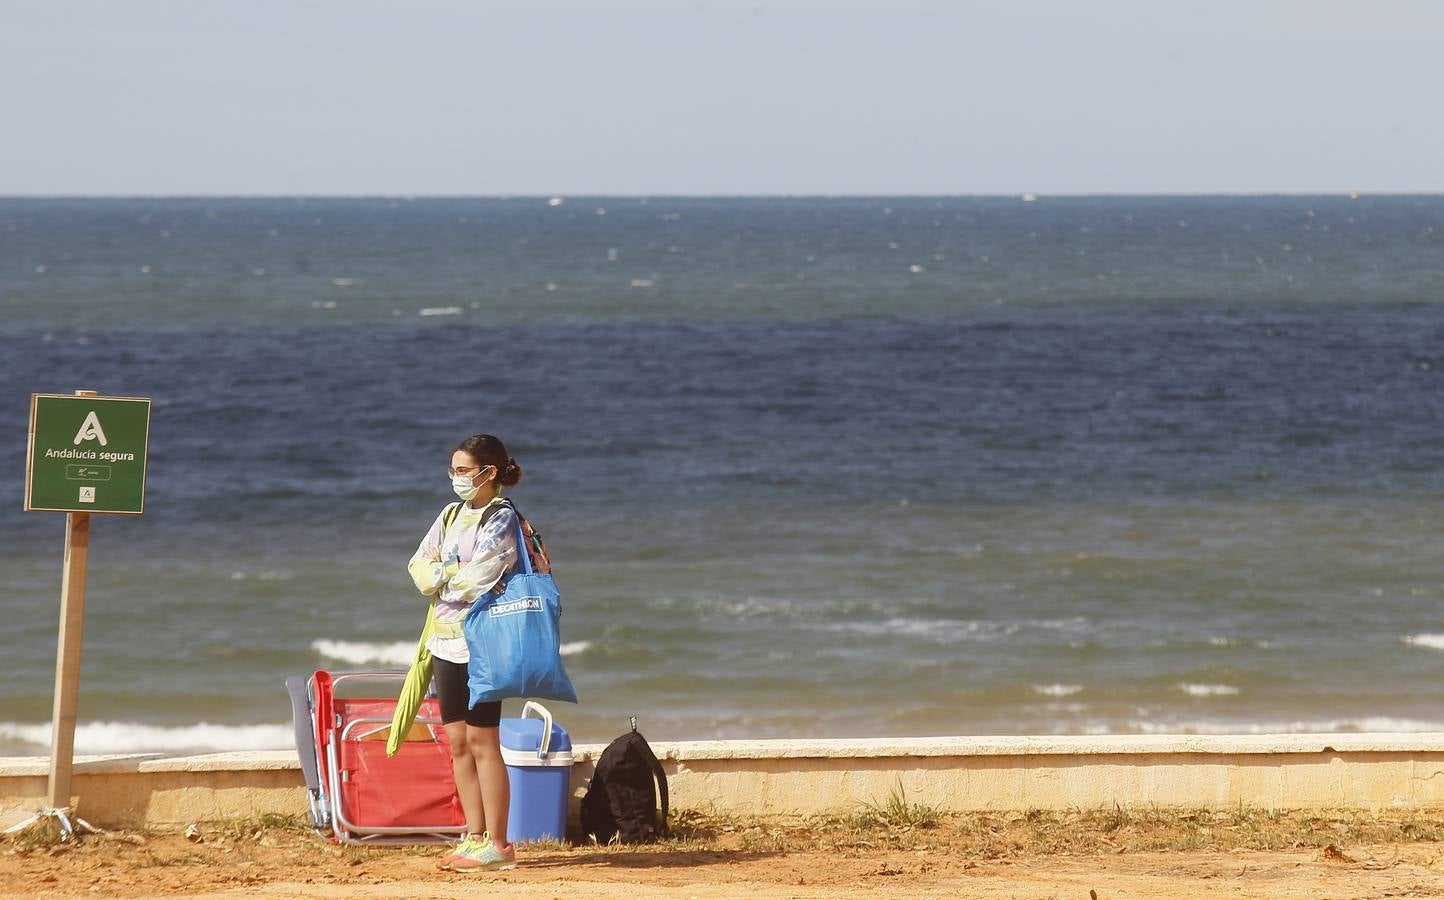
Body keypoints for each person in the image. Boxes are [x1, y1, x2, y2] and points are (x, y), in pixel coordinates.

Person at [407, 433, 524, 873]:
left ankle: (499, 842)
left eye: (463, 470)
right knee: (457, 741)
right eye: (452, 470)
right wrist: (443, 575)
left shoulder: (501, 518)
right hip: (444, 639)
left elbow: (479, 577)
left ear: (488, 473)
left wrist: (444, 576)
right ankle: (473, 837)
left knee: (483, 739)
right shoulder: (451, 513)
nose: (456, 478)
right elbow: (418, 567)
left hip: (483, 640)